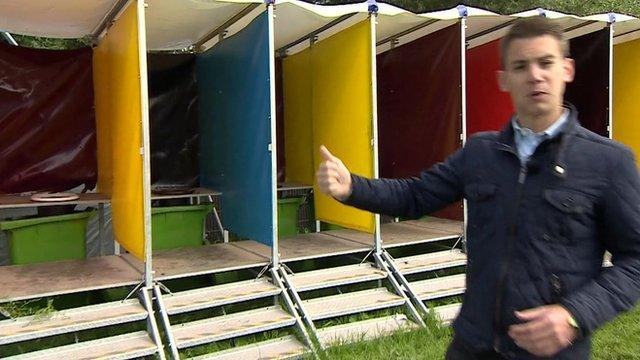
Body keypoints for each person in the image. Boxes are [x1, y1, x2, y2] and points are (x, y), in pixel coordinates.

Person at [316, 17, 640, 360]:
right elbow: (416, 195)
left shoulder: (608, 162)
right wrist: (352, 187)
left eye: (546, 63)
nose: (535, 75)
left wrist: (575, 314)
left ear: (567, 69)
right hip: (472, 345)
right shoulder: (481, 152)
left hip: (551, 354)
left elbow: (635, 260)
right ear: (504, 80)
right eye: (520, 66)